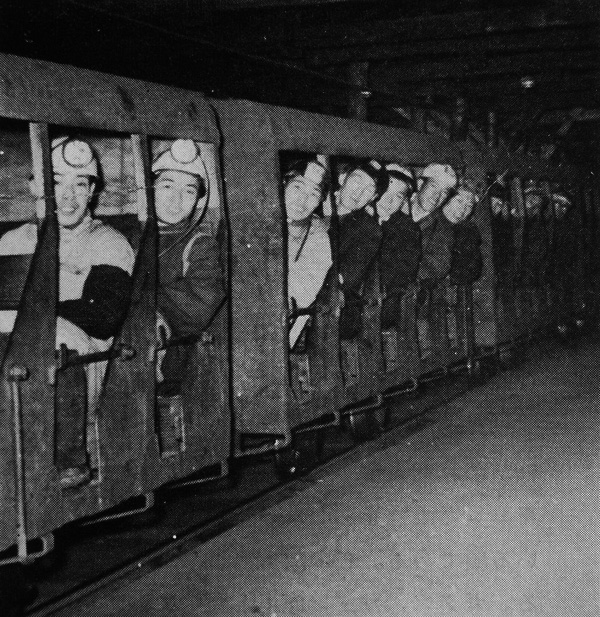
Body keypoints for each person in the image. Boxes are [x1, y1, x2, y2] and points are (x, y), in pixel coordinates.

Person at [0, 136, 135, 487]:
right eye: (56, 183)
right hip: (16, 359)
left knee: (62, 339)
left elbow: (103, 316)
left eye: (80, 185)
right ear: (35, 187)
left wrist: (31, 314)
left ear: (92, 193)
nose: (68, 197)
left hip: (81, 368)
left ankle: (69, 459)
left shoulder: (108, 243)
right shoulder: (12, 242)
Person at [153, 139, 226, 395]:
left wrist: (147, 302)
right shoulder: (131, 239)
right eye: (167, 186)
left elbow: (198, 310)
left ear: (197, 200)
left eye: (189, 191)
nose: (176, 199)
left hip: (172, 365)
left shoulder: (200, 245)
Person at [335, 160, 388, 339]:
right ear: (342, 178)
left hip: (334, 311)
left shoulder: (369, 230)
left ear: (373, 198)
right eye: (357, 181)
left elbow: (347, 277)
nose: (358, 192)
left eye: (369, 190)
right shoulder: (312, 206)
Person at [283, 157, 332, 348]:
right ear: (283, 184)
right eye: (297, 187)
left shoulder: (317, 237)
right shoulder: (254, 218)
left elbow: (302, 294)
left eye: (314, 194)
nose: (302, 200)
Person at [376, 163, 421, 329]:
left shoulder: (407, 230)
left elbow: (401, 276)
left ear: (404, 201)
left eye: (398, 196)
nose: (389, 200)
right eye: (386, 191)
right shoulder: (357, 216)